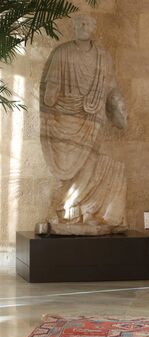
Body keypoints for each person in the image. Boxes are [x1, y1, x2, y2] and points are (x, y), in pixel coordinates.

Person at [39, 14, 128, 235]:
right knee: (67, 171)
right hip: (65, 119)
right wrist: (50, 102)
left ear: (94, 28)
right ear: (74, 27)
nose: (83, 26)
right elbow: (49, 89)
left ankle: (88, 211)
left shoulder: (103, 57)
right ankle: (64, 211)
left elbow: (111, 86)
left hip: (92, 119)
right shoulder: (62, 53)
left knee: (91, 163)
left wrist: (118, 106)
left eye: (88, 23)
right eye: (79, 23)